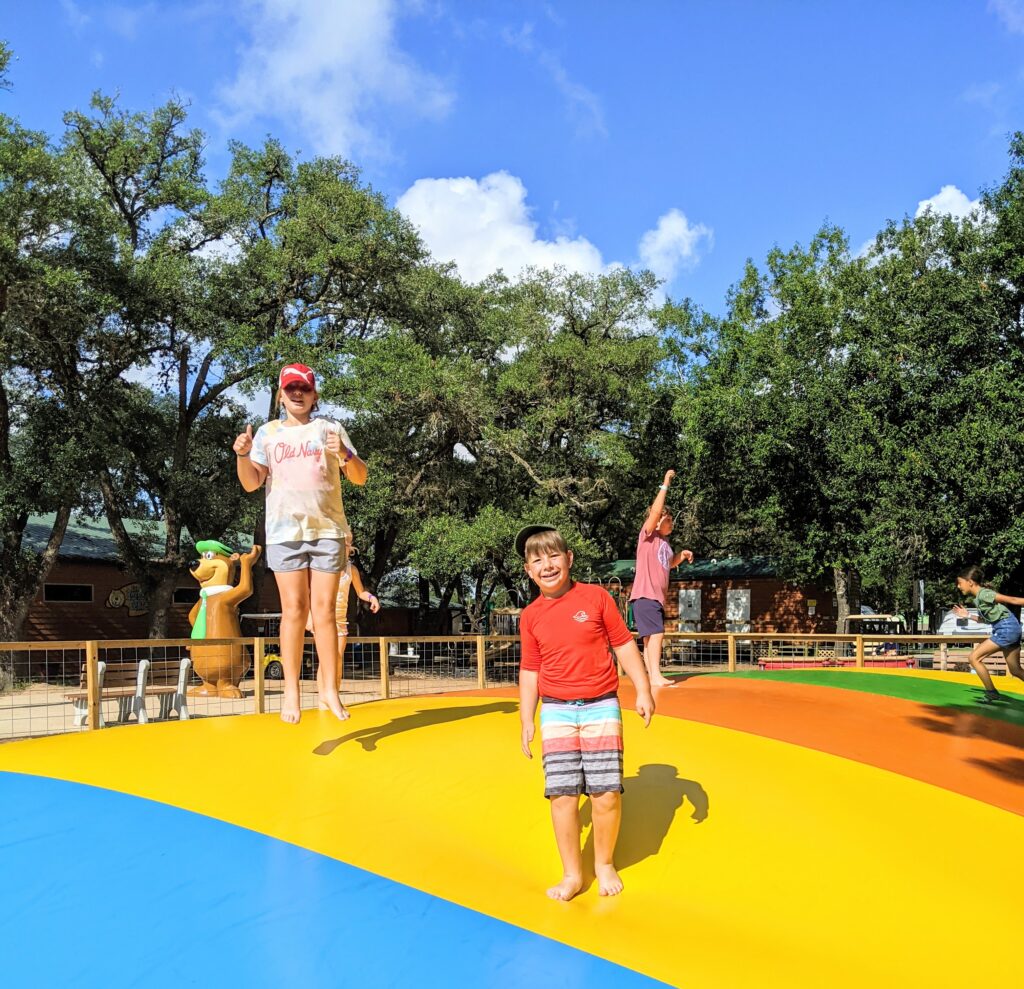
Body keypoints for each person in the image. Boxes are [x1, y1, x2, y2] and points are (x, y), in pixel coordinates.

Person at [517, 524, 655, 901]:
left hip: (601, 706)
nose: (547, 565)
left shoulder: (595, 598)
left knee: (605, 792)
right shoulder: (529, 617)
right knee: (562, 795)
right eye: (537, 560)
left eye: (553, 555)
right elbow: (530, 670)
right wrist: (527, 718)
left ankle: (604, 863)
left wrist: (643, 689)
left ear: (569, 559)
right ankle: (572, 874)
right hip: (557, 712)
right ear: (529, 571)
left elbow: (624, 645)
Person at [233, 362, 368, 724]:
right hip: (284, 533)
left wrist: (345, 453)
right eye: (290, 388)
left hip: (327, 531)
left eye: (304, 389)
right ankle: (291, 691)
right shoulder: (267, 433)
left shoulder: (330, 429)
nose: (297, 394)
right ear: (280, 394)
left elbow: (359, 477)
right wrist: (242, 454)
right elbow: (250, 483)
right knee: (293, 609)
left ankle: (329, 689)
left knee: (324, 613)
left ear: (314, 395)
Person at [628, 469, 694, 687]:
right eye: (667, 519)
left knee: (650, 638)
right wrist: (665, 482)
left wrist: (680, 556)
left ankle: (652, 675)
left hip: (655, 598)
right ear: (656, 522)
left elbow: (667, 564)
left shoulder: (665, 544)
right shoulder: (648, 537)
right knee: (656, 635)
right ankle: (655, 675)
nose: (670, 523)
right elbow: (655, 511)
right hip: (645, 596)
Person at [307, 542, 380, 708]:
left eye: (347, 546)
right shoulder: (320, 568)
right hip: (323, 619)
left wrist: (371, 598)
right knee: (325, 659)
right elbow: (307, 593)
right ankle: (323, 698)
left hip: (340, 620)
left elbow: (361, 591)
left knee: (337, 659)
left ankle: (334, 694)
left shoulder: (351, 570)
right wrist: (309, 618)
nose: (344, 549)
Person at [952, 566, 1024, 703]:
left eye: (960, 583)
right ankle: (992, 692)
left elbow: (1012, 600)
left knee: (974, 658)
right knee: (1015, 670)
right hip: (1009, 628)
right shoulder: (979, 598)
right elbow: (987, 620)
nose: (958, 586)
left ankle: (991, 693)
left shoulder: (984, 594)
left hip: (1006, 629)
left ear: (970, 582)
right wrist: (967, 615)